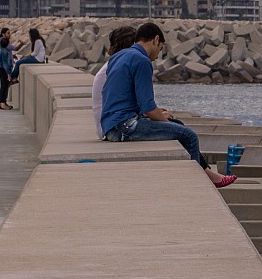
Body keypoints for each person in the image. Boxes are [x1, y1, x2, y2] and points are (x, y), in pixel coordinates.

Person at [98, 22, 237, 187]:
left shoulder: (119, 56)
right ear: (156, 40)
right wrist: (161, 117)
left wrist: (162, 117)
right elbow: (148, 108)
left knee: (177, 124)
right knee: (189, 136)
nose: (158, 55)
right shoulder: (142, 61)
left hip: (110, 125)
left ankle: (208, 175)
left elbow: (125, 97)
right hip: (124, 127)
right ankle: (196, 185)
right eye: (160, 48)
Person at [0, 27, 18, 108]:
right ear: (3, 34)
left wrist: (12, 56)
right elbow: (6, 61)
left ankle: (2, 103)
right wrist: (9, 74)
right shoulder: (4, 45)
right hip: (4, 70)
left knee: (3, 86)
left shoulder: (0, 45)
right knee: (4, 86)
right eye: (8, 33)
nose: (9, 34)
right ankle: (3, 103)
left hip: (1, 69)